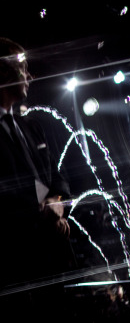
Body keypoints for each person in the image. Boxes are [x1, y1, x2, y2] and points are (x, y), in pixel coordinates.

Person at [0, 37, 75, 290]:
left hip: (54, 260)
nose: (30, 76)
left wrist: (58, 204)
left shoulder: (32, 127)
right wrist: (42, 212)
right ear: (2, 70)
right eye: (22, 68)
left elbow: (58, 175)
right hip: (17, 266)